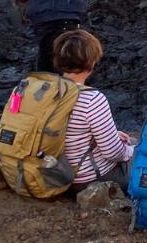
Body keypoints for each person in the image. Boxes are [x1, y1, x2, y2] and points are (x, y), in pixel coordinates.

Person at [52, 29, 134, 193]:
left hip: (50, 172)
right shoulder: (92, 99)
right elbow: (113, 153)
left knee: (124, 140)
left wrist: (109, 134)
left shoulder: (42, 90)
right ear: (91, 62)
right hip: (83, 180)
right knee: (145, 153)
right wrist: (131, 151)